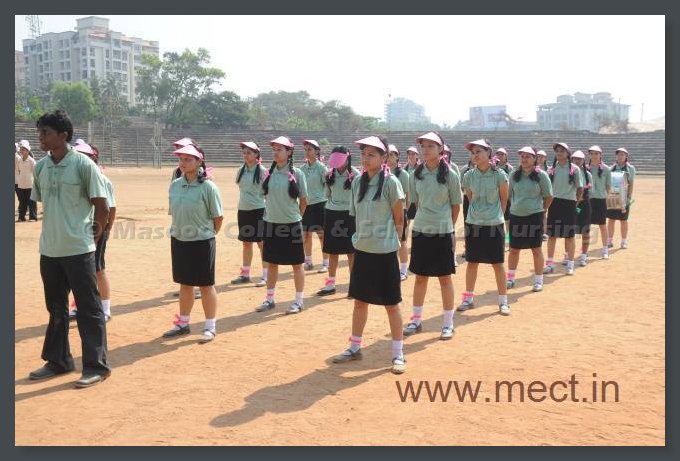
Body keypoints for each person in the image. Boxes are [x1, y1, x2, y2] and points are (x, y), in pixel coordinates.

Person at [28, 110, 111, 388]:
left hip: (79, 250)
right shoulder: (41, 167)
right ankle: (58, 361)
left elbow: (102, 206)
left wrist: (94, 240)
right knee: (56, 309)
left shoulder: (83, 165)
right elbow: (46, 202)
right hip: (50, 251)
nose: (40, 137)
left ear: (63, 135)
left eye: (46, 133)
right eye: (40, 132)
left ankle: (96, 366)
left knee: (88, 309)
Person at [332, 135, 407, 374]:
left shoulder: (391, 182)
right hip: (363, 250)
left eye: (371, 154)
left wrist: (393, 242)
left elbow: (399, 218)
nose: (366, 159)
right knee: (360, 302)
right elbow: (354, 216)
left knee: (391, 305)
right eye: (363, 154)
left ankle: (398, 354)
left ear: (384, 158)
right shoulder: (357, 182)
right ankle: (355, 347)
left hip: (385, 252)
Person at [403, 131, 462, 340]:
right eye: (423, 146)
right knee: (420, 278)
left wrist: (446, 225)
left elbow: (456, 205)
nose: (425, 149)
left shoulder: (450, 175)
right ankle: (416, 320)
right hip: (421, 230)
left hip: (443, 231)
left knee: (445, 279)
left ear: (440, 149)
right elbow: (416, 202)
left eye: (431, 146)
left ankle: (448, 323)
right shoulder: (415, 174)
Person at [162, 143, 223, 343]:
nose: (183, 162)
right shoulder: (175, 185)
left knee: (206, 285)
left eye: (188, 159)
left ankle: (210, 327)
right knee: (185, 284)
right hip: (179, 240)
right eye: (181, 159)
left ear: (199, 162)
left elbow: (218, 218)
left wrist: (207, 234)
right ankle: (183, 323)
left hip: (202, 242)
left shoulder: (208, 187)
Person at [256, 136, 309, 314]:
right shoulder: (268, 173)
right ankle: (270, 299)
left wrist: (295, 218)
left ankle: (299, 301)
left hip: (292, 225)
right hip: (271, 224)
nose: (276, 152)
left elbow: (304, 201)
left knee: (297, 265)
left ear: (289, 152)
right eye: (274, 149)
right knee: (271, 263)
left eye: (280, 149)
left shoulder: (298, 174)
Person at [458, 139, 511, 315]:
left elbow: (504, 200)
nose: (475, 155)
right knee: (472, 262)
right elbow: (470, 198)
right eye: (473, 152)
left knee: (498, 264)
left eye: (479, 151)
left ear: (489, 153)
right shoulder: (468, 176)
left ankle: (503, 302)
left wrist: (495, 215)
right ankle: (468, 299)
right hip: (474, 223)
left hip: (494, 224)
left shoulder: (499, 175)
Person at [69, 143, 117, 322]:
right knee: (78, 270)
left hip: (97, 230)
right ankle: (79, 306)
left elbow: (111, 208)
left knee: (98, 269)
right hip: (77, 230)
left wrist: (106, 229)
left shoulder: (102, 179)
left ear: (93, 158)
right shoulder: (75, 178)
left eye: (84, 155)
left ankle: (105, 309)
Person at [506, 146, 553, 292]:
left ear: (534, 159)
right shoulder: (514, 175)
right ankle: (510, 278)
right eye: (522, 156)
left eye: (528, 156)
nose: (524, 159)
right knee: (514, 249)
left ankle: (538, 280)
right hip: (516, 216)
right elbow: (509, 196)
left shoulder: (541, 175)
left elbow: (549, 196)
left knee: (536, 249)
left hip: (534, 217)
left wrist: (541, 210)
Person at [317, 146, 360, 296]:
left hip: (349, 215)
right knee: (332, 251)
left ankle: (354, 285)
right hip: (331, 214)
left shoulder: (356, 175)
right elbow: (327, 194)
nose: (337, 164)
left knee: (351, 252)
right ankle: (330, 284)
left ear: (347, 159)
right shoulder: (329, 174)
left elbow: (358, 199)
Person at [543, 143, 584, 276]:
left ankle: (570, 265)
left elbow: (580, 188)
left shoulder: (575, 169)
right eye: (557, 151)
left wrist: (575, 203)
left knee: (569, 236)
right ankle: (549, 264)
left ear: (568, 153)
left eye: (562, 150)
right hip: (554, 203)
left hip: (569, 204)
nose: (559, 153)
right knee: (552, 235)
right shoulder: (551, 169)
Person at [231, 141, 268, 287]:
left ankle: (265, 275)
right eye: (244, 153)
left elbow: (268, 193)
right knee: (246, 243)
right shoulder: (240, 170)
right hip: (243, 210)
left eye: (249, 153)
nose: (245, 155)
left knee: (262, 243)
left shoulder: (263, 171)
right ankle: (245, 274)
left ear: (256, 154)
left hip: (259, 210)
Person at [300, 139, 329, 273]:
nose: (307, 152)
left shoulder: (322, 168)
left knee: (322, 234)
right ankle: (308, 261)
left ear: (317, 151)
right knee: (306, 235)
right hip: (306, 205)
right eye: (305, 149)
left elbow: (328, 186)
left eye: (310, 149)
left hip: (320, 204)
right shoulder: (302, 169)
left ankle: (325, 263)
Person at [386, 144, 411, 281]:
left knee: (401, 241)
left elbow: (407, 197)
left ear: (397, 157)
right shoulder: (382, 172)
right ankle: (391, 269)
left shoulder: (403, 174)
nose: (389, 158)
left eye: (392, 155)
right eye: (387, 155)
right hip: (385, 212)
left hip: (400, 212)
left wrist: (403, 212)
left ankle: (403, 270)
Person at [606, 147, 636, 249]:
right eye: (618, 154)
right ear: (616, 156)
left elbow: (631, 184)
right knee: (611, 219)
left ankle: (624, 241)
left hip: (624, 199)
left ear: (626, 156)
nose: (620, 156)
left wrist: (629, 198)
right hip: (612, 198)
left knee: (623, 220)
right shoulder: (611, 168)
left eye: (622, 155)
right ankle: (609, 240)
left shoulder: (630, 169)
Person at [587, 145, 612, 260]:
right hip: (589, 200)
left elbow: (608, 186)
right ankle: (584, 250)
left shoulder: (606, 169)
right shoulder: (586, 168)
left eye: (596, 153)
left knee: (602, 225)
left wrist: (606, 198)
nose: (594, 156)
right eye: (592, 153)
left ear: (600, 155)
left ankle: (605, 249)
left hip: (601, 200)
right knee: (586, 226)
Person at [571, 150, 593, 267]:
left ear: (584, 160)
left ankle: (583, 255)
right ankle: (568, 255)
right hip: (571, 204)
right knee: (570, 232)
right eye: (575, 159)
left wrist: (582, 199)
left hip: (584, 205)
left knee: (585, 231)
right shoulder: (569, 173)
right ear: (572, 160)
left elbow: (591, 192)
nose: (577, 161)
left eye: (579, 159)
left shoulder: (588, 175)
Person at [16, 140, 38, 222]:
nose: (21, 151)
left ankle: (33, 217)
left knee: (31, 201)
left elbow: (35, 172)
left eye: (23, 150)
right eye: (21, 150)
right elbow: (18, 170)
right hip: (21, 184)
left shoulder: (32, 161)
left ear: (28, 151)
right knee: (22, 202)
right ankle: (21, 217)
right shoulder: (19, 160)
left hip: (30, 184)